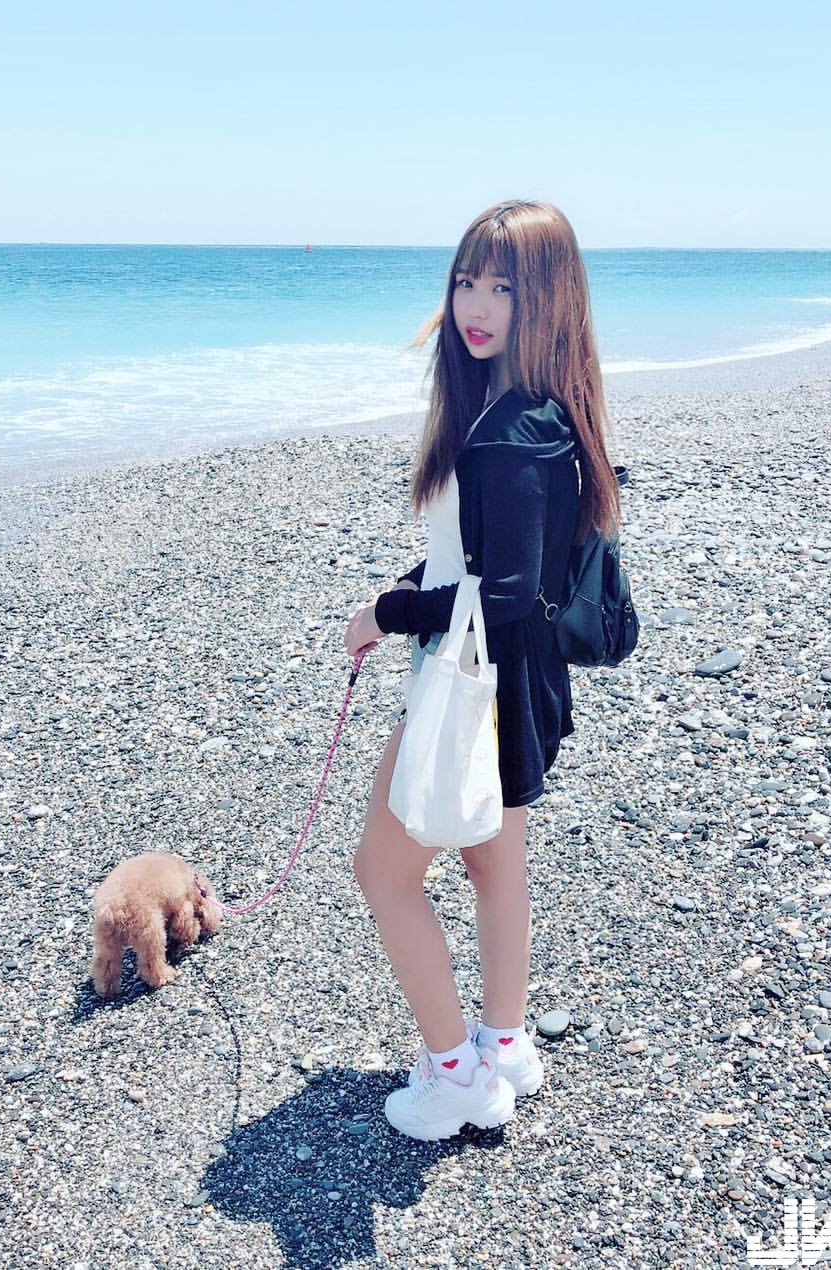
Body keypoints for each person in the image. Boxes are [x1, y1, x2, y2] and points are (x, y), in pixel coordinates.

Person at [343, 200, 622, 1141]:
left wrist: (386, 615)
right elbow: (491, 558)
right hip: (518, 683)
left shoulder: (508, 432)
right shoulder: (544, 411)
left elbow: (499, 596)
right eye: (468, 280)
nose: (477, 304)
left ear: (547, 298)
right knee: (494, 864)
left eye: (504, 287)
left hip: (475, 684)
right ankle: (504, 1044)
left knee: (383, 873)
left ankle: (457, 1075)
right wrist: (412, 585)